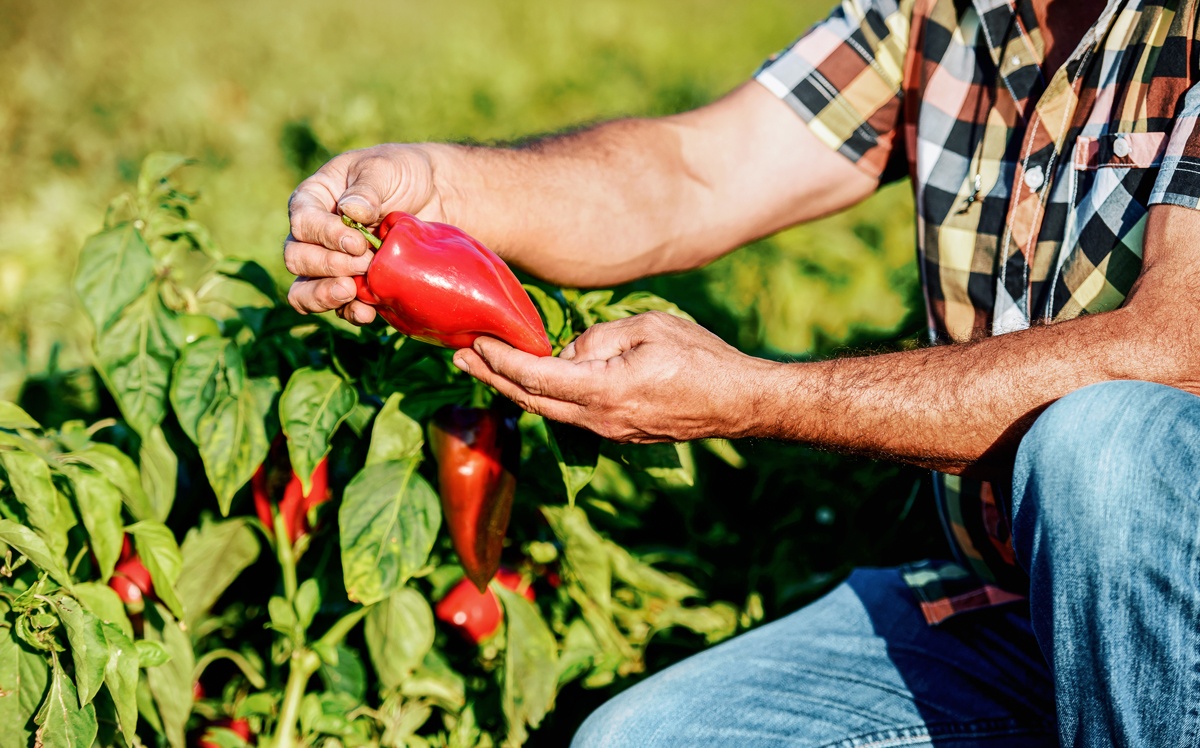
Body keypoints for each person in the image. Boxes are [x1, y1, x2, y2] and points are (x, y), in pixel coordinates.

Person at [283, 0, 1200, 744]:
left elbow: (1174, 350)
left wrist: (755, 395)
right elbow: (697, 174)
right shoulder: (950, 13)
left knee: (1104, 443)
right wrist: (443, 188)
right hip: (1009, 614)